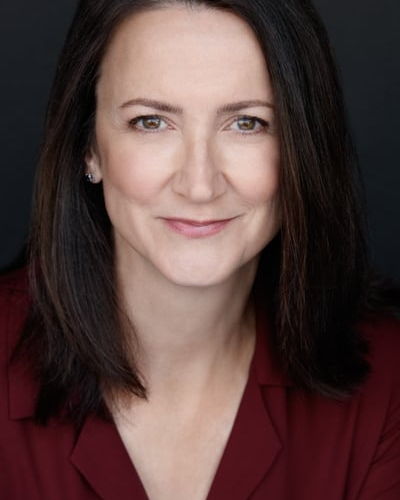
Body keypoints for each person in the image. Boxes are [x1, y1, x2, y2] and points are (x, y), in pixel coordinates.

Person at [1, 0, 399, 498]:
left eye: (247, 123)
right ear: (89, 147)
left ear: (303, 147)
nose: (199, 185)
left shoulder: (389, 382)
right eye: (151, 122)